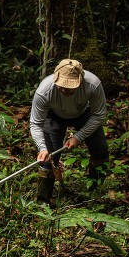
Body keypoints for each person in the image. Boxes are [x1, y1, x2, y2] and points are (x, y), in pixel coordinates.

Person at [30, 59, 109, 204]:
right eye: (62, 86)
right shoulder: (44, 91)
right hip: (54, 116)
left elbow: (99, 115)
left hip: (83, 113)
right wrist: (42, 148)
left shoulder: (93, 84)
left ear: (80, 80)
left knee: (100, 150)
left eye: (70, 87)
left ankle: (96, 193)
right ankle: (42, 203)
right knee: (48, 159)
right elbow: (35, 123)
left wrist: (78, 137)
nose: (65, 90)